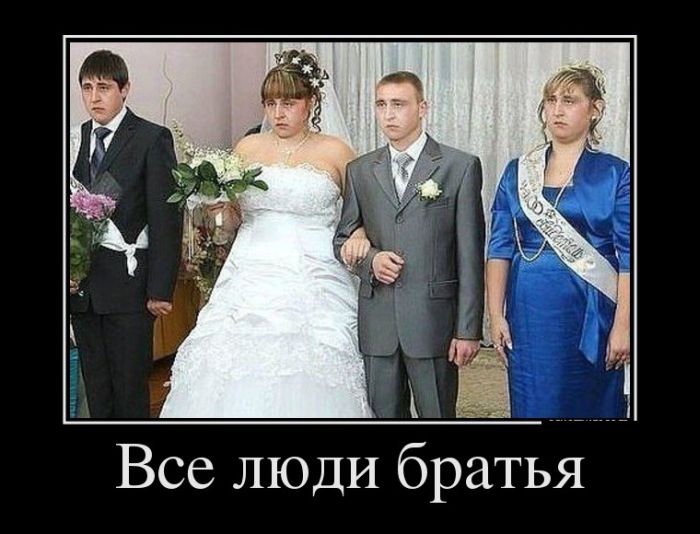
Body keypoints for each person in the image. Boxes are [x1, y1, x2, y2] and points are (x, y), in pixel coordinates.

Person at [160, 49, 373, 418]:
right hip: (250, 268)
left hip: (315, 270)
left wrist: (361, 233)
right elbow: (234, 218)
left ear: (310, 102)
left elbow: (366, 212)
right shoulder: (248, 147)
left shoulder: (337, 151)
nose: (278, 113)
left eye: (288, 103)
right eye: (271, 103)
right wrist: (219, 211)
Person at [334, 71, 485, 418]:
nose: (388, 114)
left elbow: (470, 255)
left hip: (433, 321)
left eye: (399, 104)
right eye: (381, 105)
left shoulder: (459, 167)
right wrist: (370, 260)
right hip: (378, 322)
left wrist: (467, 330)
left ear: (422, 108)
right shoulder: (360, 170)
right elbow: (343, 238)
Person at [486, 62, 630, 419]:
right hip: (528, 310)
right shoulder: (517, 171)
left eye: (570, 100)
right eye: (551, 100)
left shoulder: (616, 172)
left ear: (595, 109)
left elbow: (629, 256)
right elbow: (499, 247)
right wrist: (495, 315)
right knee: (535, 401)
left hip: (590, 308)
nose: (557, 110)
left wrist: (624, 325)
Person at [69, 50, 183, 418]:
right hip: (82, 291)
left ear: (125, 89)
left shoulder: (151, 138)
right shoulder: (75, 139)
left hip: (129, 288)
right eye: (87, 88)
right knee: (97, 391)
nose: (94, 97)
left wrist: (160, 289)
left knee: (129, 390)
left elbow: (166, 216)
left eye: (103, 87)